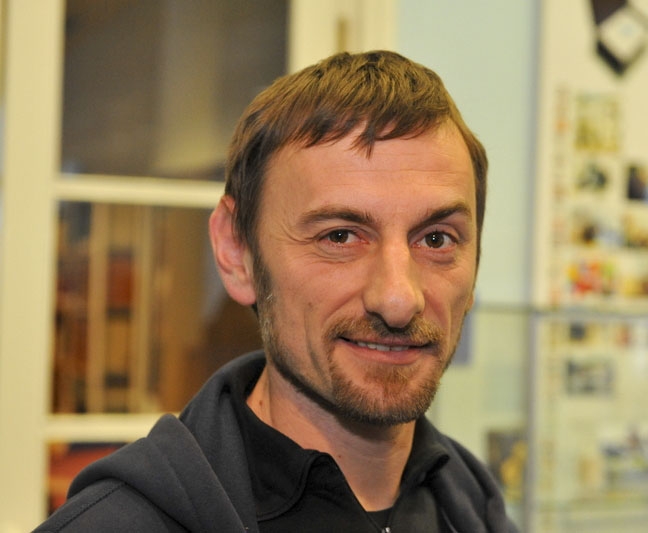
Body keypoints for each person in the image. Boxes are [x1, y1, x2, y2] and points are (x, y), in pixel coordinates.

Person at [35, 50, 518, 532]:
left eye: (436, 240)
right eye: (339, 236)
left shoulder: (474, 510)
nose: (398, 299)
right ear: (236, 252)